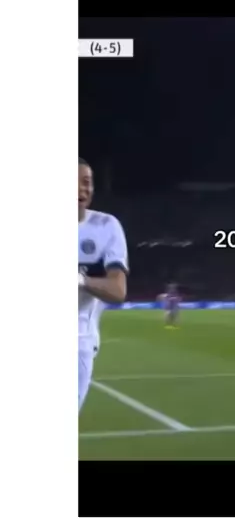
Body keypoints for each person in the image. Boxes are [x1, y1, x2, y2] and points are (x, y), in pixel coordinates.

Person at [78, 158, 129, 412]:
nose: (81, 189)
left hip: (78, 342)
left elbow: (118, 291)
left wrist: (79, 279)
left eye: (86, 182)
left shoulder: (106, 226)